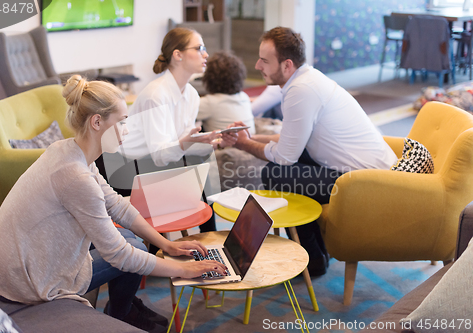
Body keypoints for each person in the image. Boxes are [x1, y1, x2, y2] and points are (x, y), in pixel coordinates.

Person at [0, 75, 227, 333]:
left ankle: (124, 305)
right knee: (130, 248)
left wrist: (166, 244)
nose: (127, 130)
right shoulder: (76, 177)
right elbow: (118, 255)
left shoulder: (69, 151)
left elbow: (116, 205)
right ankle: (122, 313)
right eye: (122, 122)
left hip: (12, 264)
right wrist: (183, 270)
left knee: (132, 239)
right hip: (27, 282)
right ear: (97, 122)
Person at [231, 27, 398, 276]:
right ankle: (318, 251)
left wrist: (241, 144)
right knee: (285, 165)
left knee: (276, 174)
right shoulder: (306, 79)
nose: (257, 65)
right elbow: (292, 140)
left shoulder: (301, 90)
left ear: (287, 65)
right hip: (365, 171)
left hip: (367, 182)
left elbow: (285, 156)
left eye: (264, 60)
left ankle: (312, 257)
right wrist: (249, 137)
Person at [105, 27, 236, 234]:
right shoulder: (156, 94)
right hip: (122, 165)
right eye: (199, 47)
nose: (206, 54)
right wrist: (188, 143)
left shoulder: (191, 94)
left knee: (196, 168)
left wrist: (215, 142)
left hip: (150, 160)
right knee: (191, 172)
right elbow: (162, 155)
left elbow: (180, 147)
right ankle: (161, 252)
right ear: (178, 55)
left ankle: (209, 240)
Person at [196, 51, 255, 134]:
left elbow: (183, 113)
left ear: (209, 78)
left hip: (225, 146)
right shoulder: (244, 96)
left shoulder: (209, 102)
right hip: (248, 142)